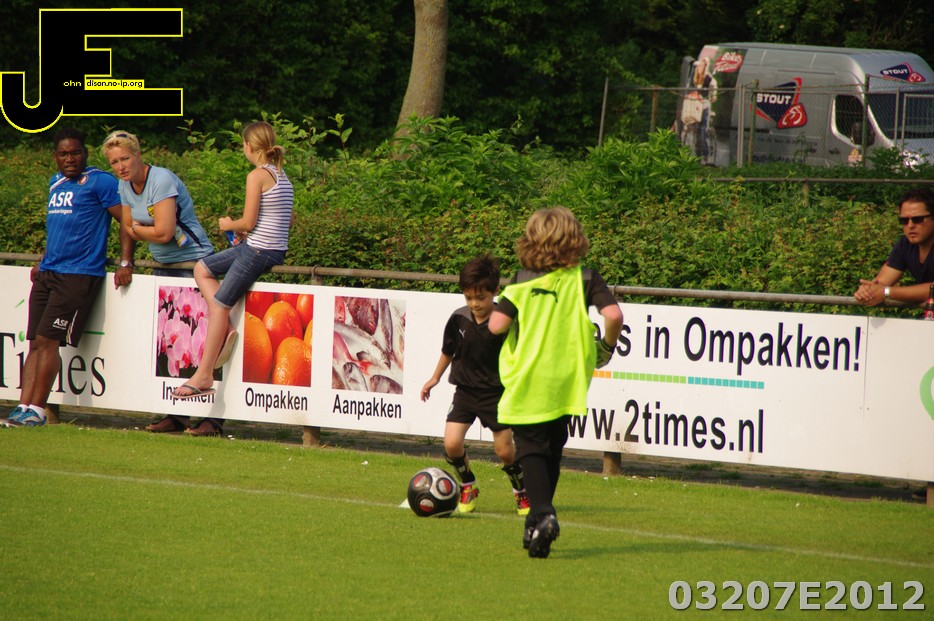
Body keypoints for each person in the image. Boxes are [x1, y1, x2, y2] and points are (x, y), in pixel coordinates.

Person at [488, 207, 623, 558]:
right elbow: (613, 315)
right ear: (574, 238)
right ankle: (535, 524)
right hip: (569, 375)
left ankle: (544, 513)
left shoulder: (521, 280)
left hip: (530, 373)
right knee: (552, 446)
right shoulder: (586, 278)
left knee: (530, 446)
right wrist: (606, 346)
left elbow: (496, 326)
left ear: (531, 240)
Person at [3, 127, 134, 427]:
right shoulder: (55, 182)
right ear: (55, 157)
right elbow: (59, 228)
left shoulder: (101, 181)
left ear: (85, 153)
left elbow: (126, 221)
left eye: (76, 152)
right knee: (34, 342)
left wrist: (125, 261)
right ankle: (21, 408)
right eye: (64, 154)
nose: (70, 159)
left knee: (48, 340)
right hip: (48, 273)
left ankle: (37, 411)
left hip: (78, 275)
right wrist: (44, 259)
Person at [168, 121, 294, 420]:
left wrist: (230, 224)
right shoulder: (282, 176)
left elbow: (248, 221)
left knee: (220, 305)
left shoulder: (257, 175)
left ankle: (203, 375)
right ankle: (223, 323)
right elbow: (286, 221)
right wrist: (248, 233)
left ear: (248, 146)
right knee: (202, 268)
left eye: (242, 145)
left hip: (259, 250)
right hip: (262, 246)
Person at [102, 130, 219, 435]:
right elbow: (128, 227)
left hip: (195, 264)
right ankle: (177, 415)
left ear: (138, 154)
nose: (121, 167)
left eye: (125, 159)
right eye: (114, 162)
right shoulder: (123, 185)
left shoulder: (162, 179)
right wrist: (128, 256)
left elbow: (164, 233)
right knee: (172, 345)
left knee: (206, 341)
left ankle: (215, 419)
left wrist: (138, 229)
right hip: (163, 267)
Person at [420, 255, 530, 516]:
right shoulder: (458, 318)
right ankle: (467, 484)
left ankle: (521, 491)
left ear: (496, 291)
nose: (474, 304)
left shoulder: (507, 322)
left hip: (497, 395)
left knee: (505, 451)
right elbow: (448, 351)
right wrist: (434, 378)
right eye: (468, 297)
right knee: (451, 443)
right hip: (465, 392)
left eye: (480, 298)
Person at [854, 188, 934, 307]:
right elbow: (880, 282)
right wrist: (867, 291)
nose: (910, 225)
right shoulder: (905, 244)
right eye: (904, 220)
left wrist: (886, 292)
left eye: (917, 219)